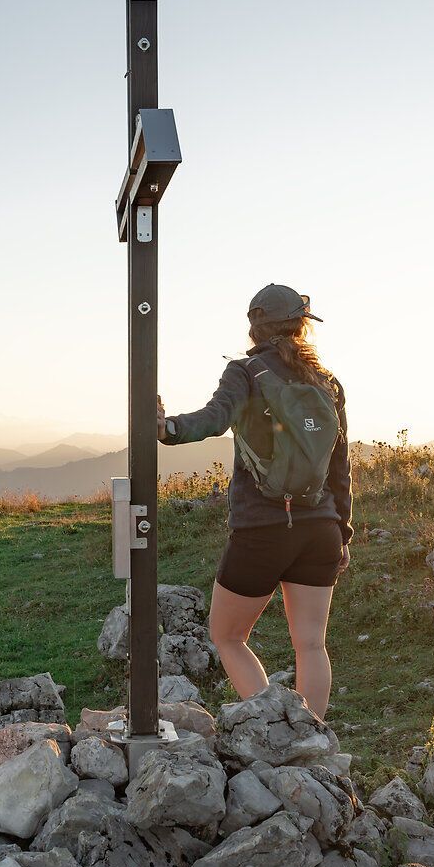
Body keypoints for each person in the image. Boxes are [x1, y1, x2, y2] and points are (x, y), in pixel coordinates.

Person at [157, 284, 351, 717]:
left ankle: (272, 729)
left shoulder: (245, 373)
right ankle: (312, 739)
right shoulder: (328, 383)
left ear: (254, 326)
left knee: (227, 635)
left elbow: (214, 419)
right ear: (302, 327)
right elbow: (341, 468)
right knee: (311, 644)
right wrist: (344, 533)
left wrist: (167, 428)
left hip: (261, 528)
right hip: (320, 528)